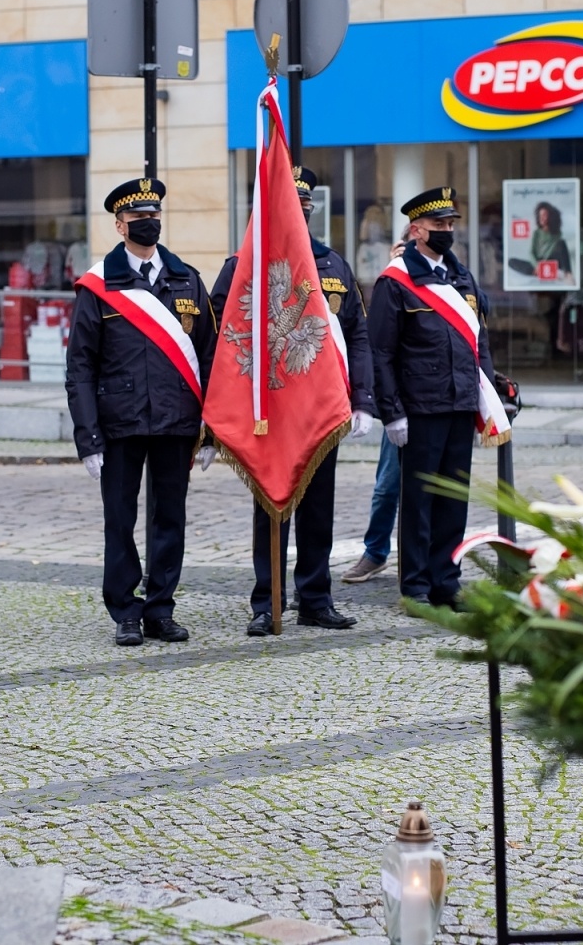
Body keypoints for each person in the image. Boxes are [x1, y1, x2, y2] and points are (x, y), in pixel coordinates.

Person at [210, 165, 377, 636]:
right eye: (292, 207)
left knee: (318, 508)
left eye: (306, 208)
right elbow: (221, 343)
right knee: (271, 505)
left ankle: (315, 599)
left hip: (320, 409)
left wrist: (362, 400)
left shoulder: (333, 265)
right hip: (272, 409)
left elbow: (357, 336)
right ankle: (268, 601)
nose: (300, 215)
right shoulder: (243, 264)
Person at [67, 178, 218, 647]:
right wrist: (88, 438)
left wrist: (211, 429)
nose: (148, 224)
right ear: (119, 225)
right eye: (138, 219)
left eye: (154, 217)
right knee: (120, 518)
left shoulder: (186, 278)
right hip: (120, 423)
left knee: (170, 517)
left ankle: (160, 609)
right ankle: (125, 611)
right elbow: (80, 367)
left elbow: (211, 357)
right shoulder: (99, 287)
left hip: (176, 421)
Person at [369, 186, 500, 608]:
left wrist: (489, 394)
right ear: (416, 230)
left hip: (461, 401)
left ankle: (447, 579)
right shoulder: (395, 281)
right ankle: (416, 585)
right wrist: (392, 414)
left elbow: (478, 341)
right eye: (438, 225)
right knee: (419, 500)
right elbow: (382, 352)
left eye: (450, 224)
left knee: (453, 497)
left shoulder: (461, 277)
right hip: (420, 407)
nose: (446, 230)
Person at [342, 238, 408, 585]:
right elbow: (377, 343)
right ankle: (376, 552)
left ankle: (426, 562)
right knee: (388, 485)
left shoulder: (448, 281)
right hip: (401, 404)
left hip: (439, 403)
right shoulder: (393, 285)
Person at [530, 201, 572, 284]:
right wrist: (537, 265)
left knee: (561, 243)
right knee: (512, 261)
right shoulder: (536, 233)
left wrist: (543, 263)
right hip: (539, 261)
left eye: (544, 215)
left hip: (551, 260)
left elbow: (551, 249)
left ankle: (567, 273)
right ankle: (539, 271)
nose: (541, 218)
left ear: (550, 217)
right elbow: (531, 251)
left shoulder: (556, 234)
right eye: (540, 215)